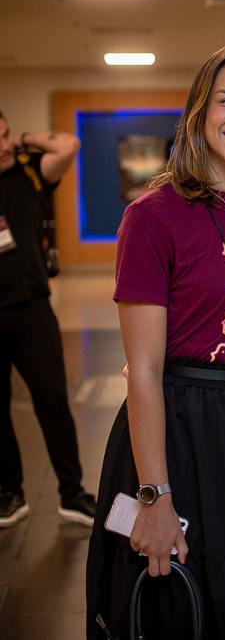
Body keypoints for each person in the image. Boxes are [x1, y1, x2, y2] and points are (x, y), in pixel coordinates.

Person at [86, 43, 225, 640]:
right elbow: (144, 369)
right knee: (185, 601)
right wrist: (154, 494)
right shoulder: (153, 216)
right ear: (200, 111)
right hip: (184, 429)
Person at [0, 112, 97, 528]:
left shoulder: (29, 172)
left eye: (5, 135)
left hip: (31, 310)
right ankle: (10, 493)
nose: (4, 146)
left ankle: (72, 494)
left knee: (53, 402)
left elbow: (68, 145)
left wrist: (22, 139)